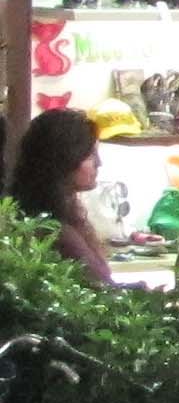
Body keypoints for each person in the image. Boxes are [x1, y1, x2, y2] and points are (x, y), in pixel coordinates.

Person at [7, 107, 113, 284]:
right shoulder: (53, 231)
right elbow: (103, 287)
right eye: (90, 155)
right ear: (65, 159)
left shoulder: (63, 218)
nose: (99, 163)